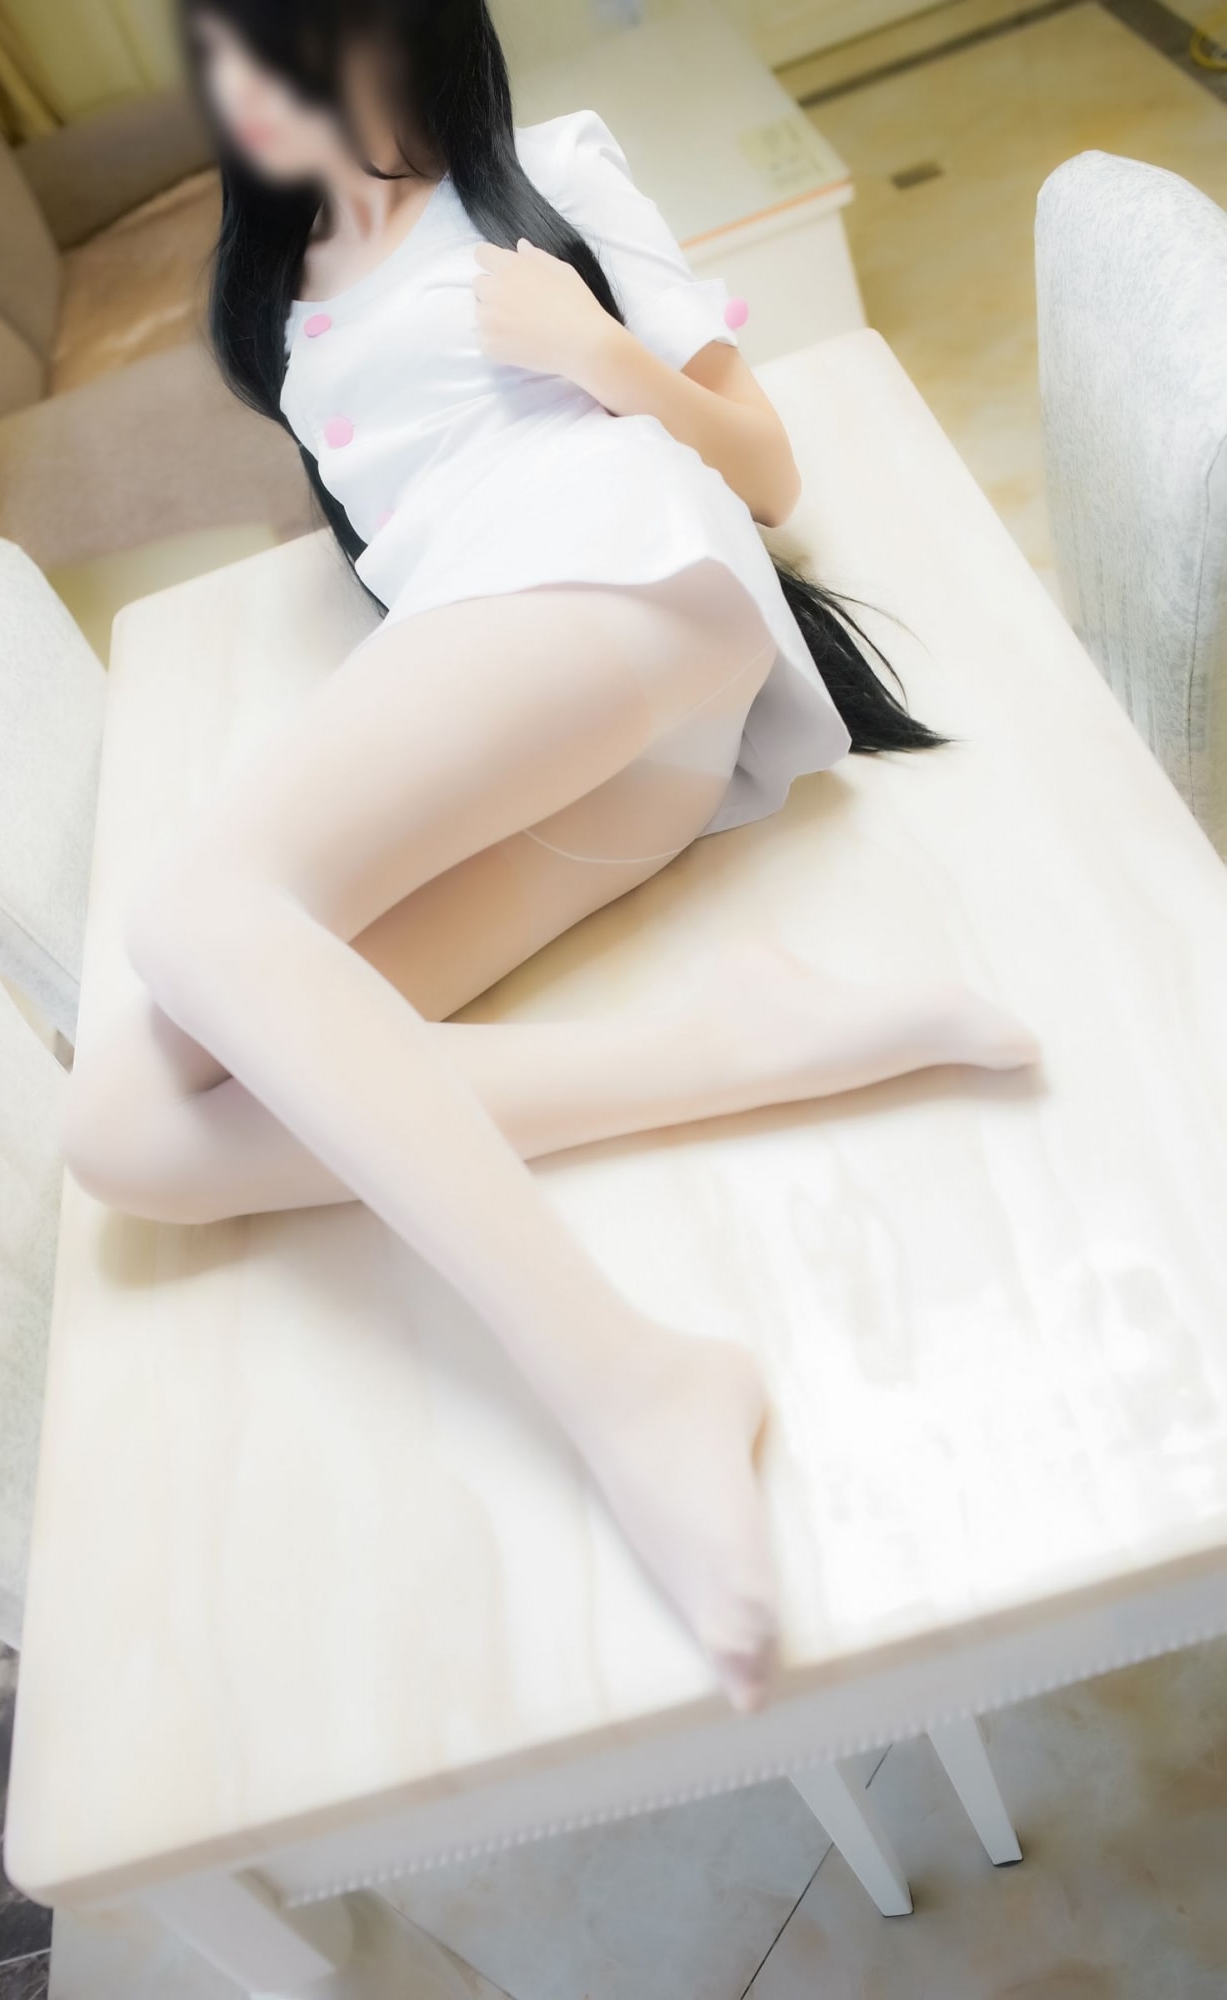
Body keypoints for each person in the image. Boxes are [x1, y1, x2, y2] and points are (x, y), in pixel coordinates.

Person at [64, 0, 1038, 1710]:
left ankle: (628, 1379)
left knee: (195, 910)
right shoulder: (275, 297)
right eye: (221, 52)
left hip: (622, 584)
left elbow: (766, 466)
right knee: (127, 1130)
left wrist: (595, 350)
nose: (249, 89)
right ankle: (737, 1046)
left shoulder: (546, 179)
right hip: (564, 734)